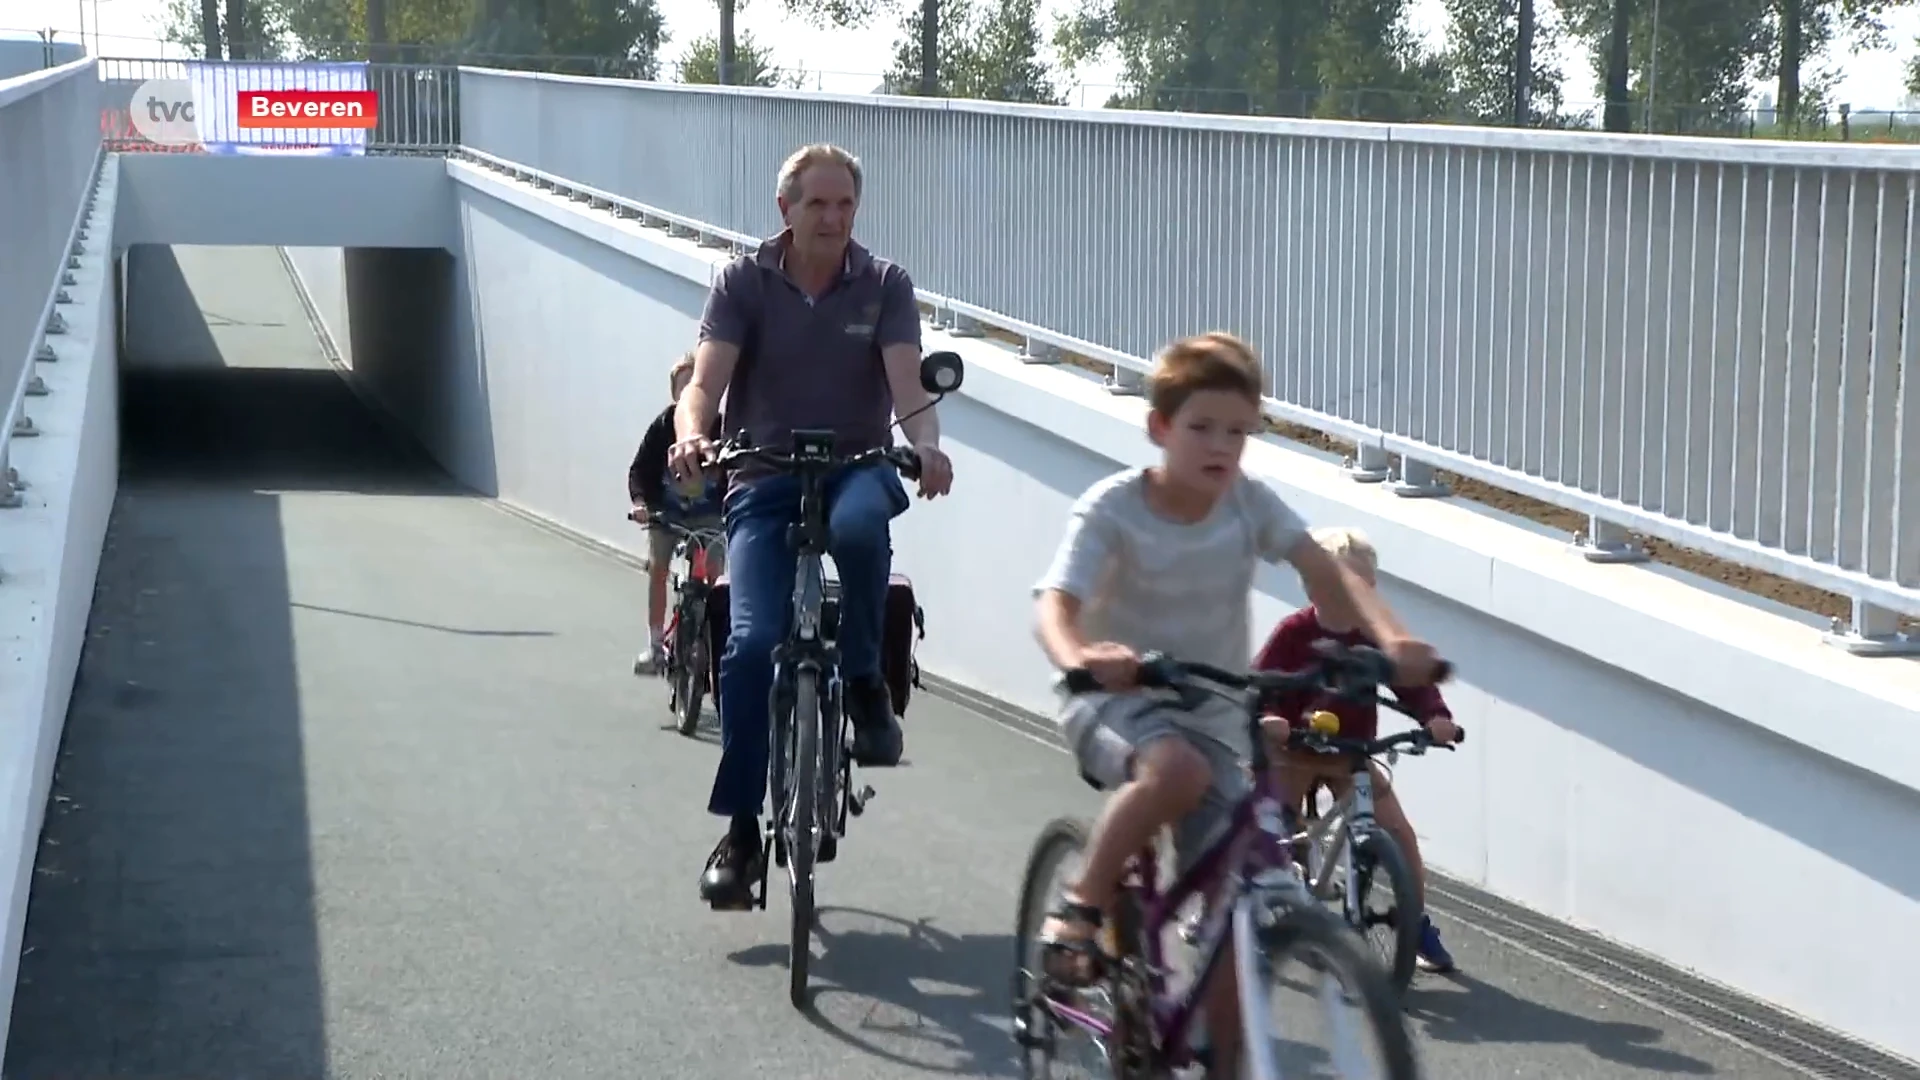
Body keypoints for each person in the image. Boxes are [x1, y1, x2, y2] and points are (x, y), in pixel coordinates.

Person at [1031, 332, 1442, 1078]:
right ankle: (1082, 901)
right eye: (1202, 427)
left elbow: (1328, 573)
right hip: (1113, 703)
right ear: (1160, 428)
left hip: (1217, 715)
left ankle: (1225, 1057)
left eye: (1239, 431)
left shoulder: (1248, 504)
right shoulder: (1113, 508)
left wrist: (1395, 640)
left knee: (1235, 905)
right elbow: (1055, 606)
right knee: (1176, 771)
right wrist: (1083, 656)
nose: (1222, 447)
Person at [668, 143, 956, 910]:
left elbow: (908, 387)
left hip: (857, 464)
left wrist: (927, 448)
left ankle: (864, 682)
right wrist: (693, 435)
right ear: (785, 210)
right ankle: (739, 833)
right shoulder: (743, 281)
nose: (832, 218)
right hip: (763, 473)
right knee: (751, 644)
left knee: (864, 528)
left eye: (844, 205)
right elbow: (704, 383)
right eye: (817, 204)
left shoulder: (886, 284)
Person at [1254, 525, 1461, 974]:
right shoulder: (1294, 632)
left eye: (1366, 586)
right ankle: (1242, 904)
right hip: (1296, 748)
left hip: (1351, 753)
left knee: (1399, 834)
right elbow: (1261, 684)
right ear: (1313, 585)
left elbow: (1413, 684)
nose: (1357, 594)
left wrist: (1435, 716)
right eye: (1343, 583)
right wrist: (1270, 719)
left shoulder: (1375, 638)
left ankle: (1413, 922)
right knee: (1272, 826)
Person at [627, 351, 726, 676]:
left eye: (694, 386)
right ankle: (656, 645)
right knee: (658, 568)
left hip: (708, 515)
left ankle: (715, 646)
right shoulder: (662, 426)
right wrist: (641, 503)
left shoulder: (722, 428)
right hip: (666, 514)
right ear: (674, 394)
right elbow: (640, 469)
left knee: (715, 579)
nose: (688, 396)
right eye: (682, 388)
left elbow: (738, 473)